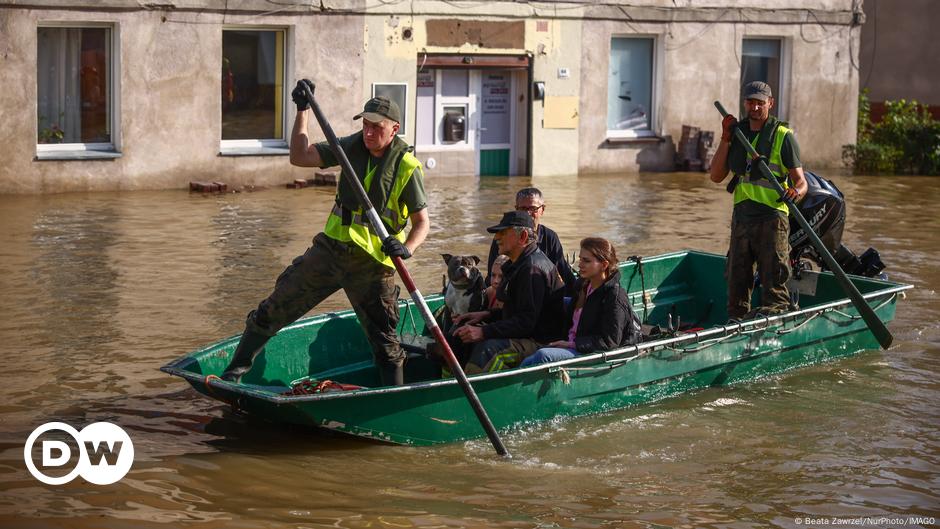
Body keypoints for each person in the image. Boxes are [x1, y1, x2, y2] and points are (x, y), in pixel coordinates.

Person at [218, 82, 430, 386]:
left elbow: (423, 223)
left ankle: (392, 399)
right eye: (366, 125)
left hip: (372, 265)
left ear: (394, 129)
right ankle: (232, 375)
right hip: (330, 252)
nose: (369, 133)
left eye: (376, 127)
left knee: (385, 343)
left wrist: (406, 248)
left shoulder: (407, 167)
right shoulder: (347, 147)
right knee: (272, 309)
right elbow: (300, 156)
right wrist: (302, 110)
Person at [709, 81, 808, 320]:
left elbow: (801, 182)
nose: (754, 107)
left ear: (770, 104)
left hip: (772, 219)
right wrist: (725, 137)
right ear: (745, 103)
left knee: (774, 281)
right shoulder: (737, 133)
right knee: (737, 280)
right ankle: (736, 326)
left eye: (760, 103)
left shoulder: (783, 136)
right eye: (750, 102)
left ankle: (776, 327)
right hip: (742, 219)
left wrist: (796, 192)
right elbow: (716, 176)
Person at [453, 211, 566, 373]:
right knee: (460, 334)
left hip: (539, 341)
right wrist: (487, 315)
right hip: (524, 333)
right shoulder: (520, 264)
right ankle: (446, 382)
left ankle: (470, 393)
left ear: (523, 236)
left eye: (503, 233)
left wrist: (484, 331)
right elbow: (518, 311)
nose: (497, 237)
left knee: (489, 351)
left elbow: (526, 323)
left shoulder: (532, 269)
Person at [520, 238, 641, 366]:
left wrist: (571, 344)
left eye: (586, 261)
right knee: (528, 359)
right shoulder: (583, 285)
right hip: (572, 344)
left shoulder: (614, 297)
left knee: (543, 356)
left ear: (604, 265)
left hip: (590, 354)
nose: (580, 264)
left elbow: (609, 342)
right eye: (580, 259)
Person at [485, 188, 576, 290]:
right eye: (523, 209)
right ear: (516, 209)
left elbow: (563, 272)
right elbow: (492, 275)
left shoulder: (550, 237)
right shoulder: (504, 238)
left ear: (542, 210)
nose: (528, 213)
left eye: (533, 208)